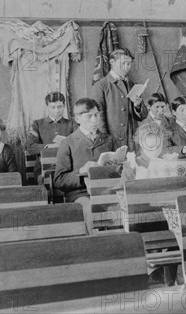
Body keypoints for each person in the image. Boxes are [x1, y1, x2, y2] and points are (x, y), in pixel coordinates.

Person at [54, 98, 119, 233]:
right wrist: (81, 171)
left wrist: (116, 165)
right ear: (77, 119)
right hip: (81, 194)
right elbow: (59, 180)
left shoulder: (109, 139)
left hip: (108, 190)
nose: (95, 120)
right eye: (89, 116)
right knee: (91, 208)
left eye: (96, 115)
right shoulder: (68, 143)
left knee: (125, 205)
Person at [95, 48, 148, 151]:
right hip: (113, 140)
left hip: (131, 139)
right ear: (112, 62)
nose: (126, 67)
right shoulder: (102, 85)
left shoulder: (131, 83)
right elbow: (99, 117)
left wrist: (137, 106)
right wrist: (105, 142)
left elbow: (143, 116)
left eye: (129, 64)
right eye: (123, 63)